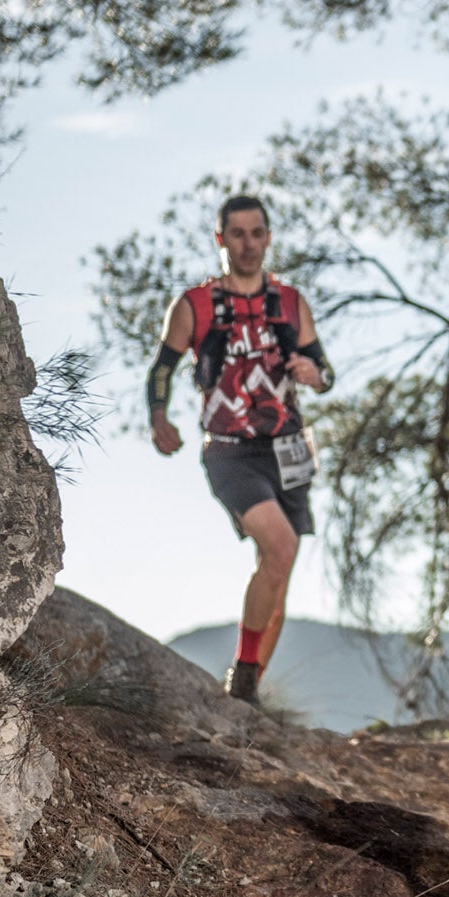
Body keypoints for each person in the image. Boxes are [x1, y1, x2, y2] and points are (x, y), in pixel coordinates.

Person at [148, 195, 333, 705]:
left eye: (256, 233)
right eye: (237, 234)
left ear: (268, 238)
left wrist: (314, 376)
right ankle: (244, 676)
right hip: (230, 451)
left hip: (289, 449)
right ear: (220, 239)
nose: (247, 244)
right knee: (280, 547)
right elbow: (162, 368)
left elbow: (325, 370)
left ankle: (246, 699)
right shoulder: (195, 306)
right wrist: (158, 416)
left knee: (279, 570)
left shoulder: (291, 304)